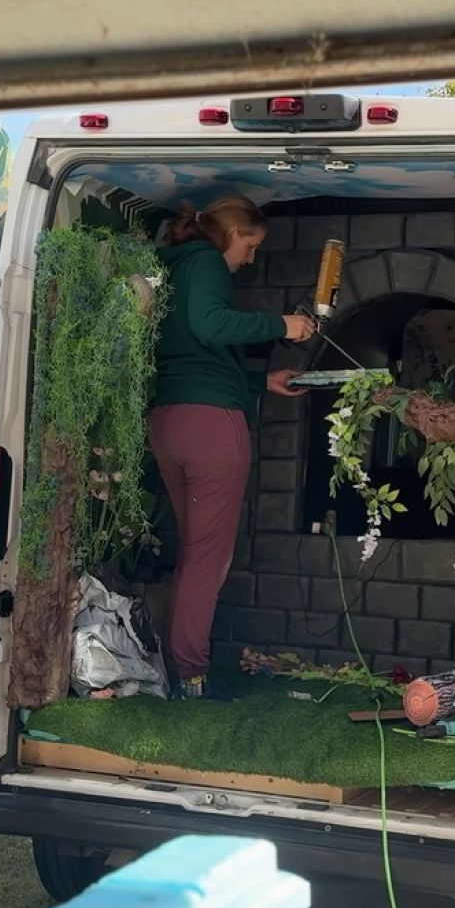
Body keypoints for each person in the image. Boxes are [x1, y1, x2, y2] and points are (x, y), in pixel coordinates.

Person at [149, 195, 313, 699]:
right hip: (211, 427)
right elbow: (211, 325)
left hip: (169, 421)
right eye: (252, 245)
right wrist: (281, 325)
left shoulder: (176, 266)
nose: (251, 259)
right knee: (209, 559)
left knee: (192, 553)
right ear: (234, 233)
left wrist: (264, 380)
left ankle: (179, 668)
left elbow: (195, 350)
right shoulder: (206, 262)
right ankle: (191, 677)